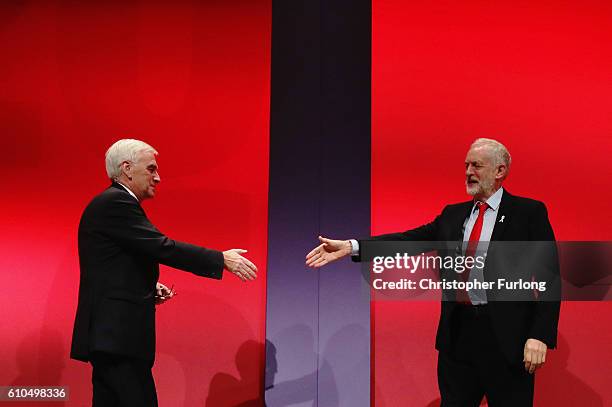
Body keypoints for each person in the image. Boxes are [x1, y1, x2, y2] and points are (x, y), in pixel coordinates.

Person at [306, 138, 560, 407]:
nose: (468, 172)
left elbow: (550, 276)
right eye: (466, 165)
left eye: (476, 165)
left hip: (508, 341)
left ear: (500, 171)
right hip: (458, 338)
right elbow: (408, 240)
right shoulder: (453, 215)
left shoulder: (528, 212)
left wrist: (540, 334)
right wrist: (350, 247)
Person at [71, 139, 258, 407]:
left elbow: (114, 263)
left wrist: (144, 284)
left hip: (111, 338)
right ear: (127, 168)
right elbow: (162, 247)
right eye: (151, 169)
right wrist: (221, 259)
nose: (158, 177)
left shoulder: (112, 203)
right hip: (118, 338)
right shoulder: (117, 203)